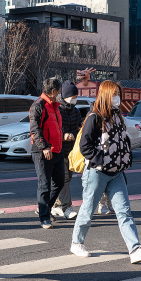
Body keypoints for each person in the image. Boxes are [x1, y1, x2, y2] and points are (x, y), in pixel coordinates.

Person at [70, 80, 141, 264]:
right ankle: (77, 242)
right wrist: (103, 159)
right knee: (88, 210)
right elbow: (85, 146)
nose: (117, 97)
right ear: (106, 95)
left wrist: (124, 159)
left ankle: (135, 249)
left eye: (119, 94)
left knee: (124, 211)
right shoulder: (95, 118)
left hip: (117, 172)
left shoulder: (118, 117)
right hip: (96, 173)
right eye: (114, 94)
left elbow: (122, 142)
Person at [30, 77, 65, 229]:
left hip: (57, 150)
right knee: (44, 185)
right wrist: (44, 147)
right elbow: (35, 129)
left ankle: (44, 208)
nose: (60, 94)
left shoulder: (56, 106)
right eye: (59, 91)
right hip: (43, 152)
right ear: (53, 91)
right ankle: (44, 218)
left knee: (59, 182)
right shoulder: (38, 105)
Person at [52, 80, 81, 220]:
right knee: (63, 179)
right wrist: (63, 135)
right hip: (59, 150)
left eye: (76, 97)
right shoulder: (57, 110)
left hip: (71, 151)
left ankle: (54, 205)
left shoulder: (76, 111)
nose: (74, 99)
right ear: (64, 96)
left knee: (66, 179)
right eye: (72, 97)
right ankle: (67, 207)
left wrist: (76, 134)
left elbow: (78, 127)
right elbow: (54, 129)